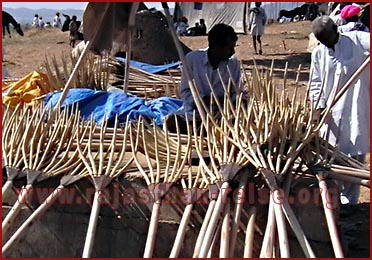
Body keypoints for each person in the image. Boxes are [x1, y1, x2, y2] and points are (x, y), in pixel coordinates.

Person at [309, 16, 370, 205]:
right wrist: (317, 108)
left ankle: (349, 200)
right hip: (331, 110)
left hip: (357, 105)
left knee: (355, 151)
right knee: (330, 153)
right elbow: (316, 82)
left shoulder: (358, 39)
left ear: (336, 30)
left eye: (328, 38)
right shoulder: (319, 53)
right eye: (322, 41)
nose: (326, 44)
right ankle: (335, 197)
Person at [165, 23, 241, 133]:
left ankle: (209, 130)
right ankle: (201, 130)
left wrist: (228, 103)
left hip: (222, 113)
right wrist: (203, 100)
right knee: (173, 123)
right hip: (195, 111)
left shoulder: (233, 63)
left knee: (234, 123)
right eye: (229, 48)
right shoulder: (192, 59)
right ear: (216, 47)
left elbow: (237, 92)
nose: (233, 52)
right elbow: (185, 91)